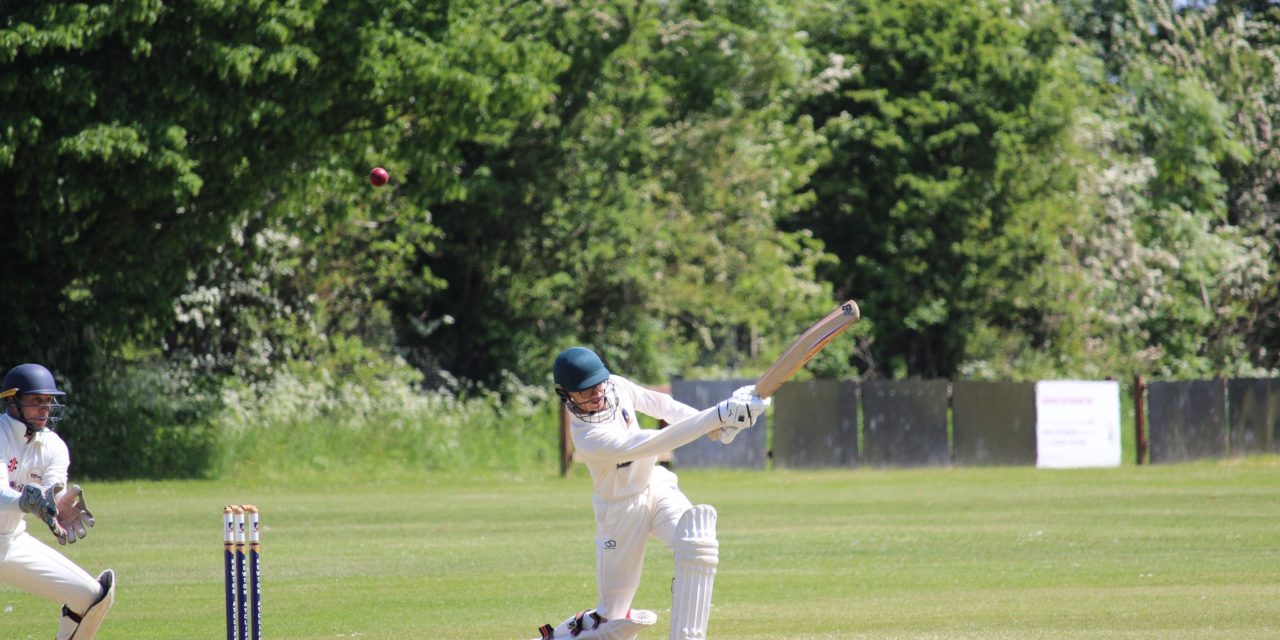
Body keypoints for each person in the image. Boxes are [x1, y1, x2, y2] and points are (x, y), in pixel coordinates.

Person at [534, 347, 767, 640]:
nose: (596, 393)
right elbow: (655, 441)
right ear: (566, 394)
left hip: (655, 486)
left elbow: (663, 406)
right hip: (619, 512)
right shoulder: (589, 438)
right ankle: (562, 635)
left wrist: (717, 424)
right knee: (612, 621)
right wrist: (717, 415)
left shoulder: (615, 386)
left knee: (697, 543)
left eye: (598, 384)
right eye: (584, 391)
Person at [1, 363, 115, 639]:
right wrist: (25, 502)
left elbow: (53, 489)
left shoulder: (53, 445)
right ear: (13, 401)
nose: (45, 409)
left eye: (49, 401)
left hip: (10, 543)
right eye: (36, 400)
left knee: (92, 597)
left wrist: (58, 504)